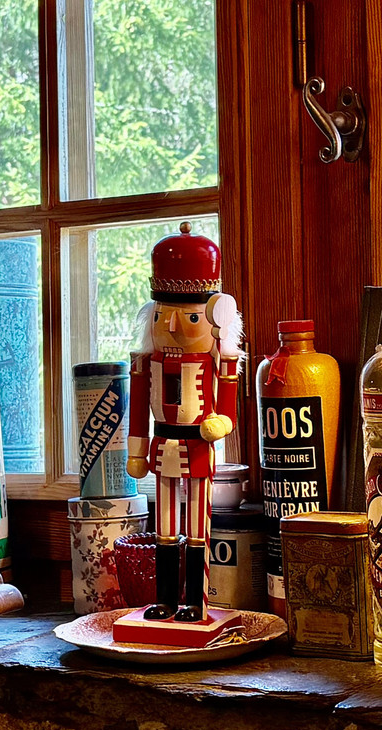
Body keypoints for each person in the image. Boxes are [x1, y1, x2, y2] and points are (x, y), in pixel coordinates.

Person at [127, 223, 243, 622]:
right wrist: (137, 451)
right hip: (162, 448)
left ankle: (196, 602)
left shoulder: (220, 363)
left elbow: (227, 411)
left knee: (196, 528)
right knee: (164, 528)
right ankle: (165, 600)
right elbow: (138, 409)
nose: (173, 327)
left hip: (198, 449)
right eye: (163, 316)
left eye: (190, 318)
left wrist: (220, 425)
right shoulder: (146, 363)